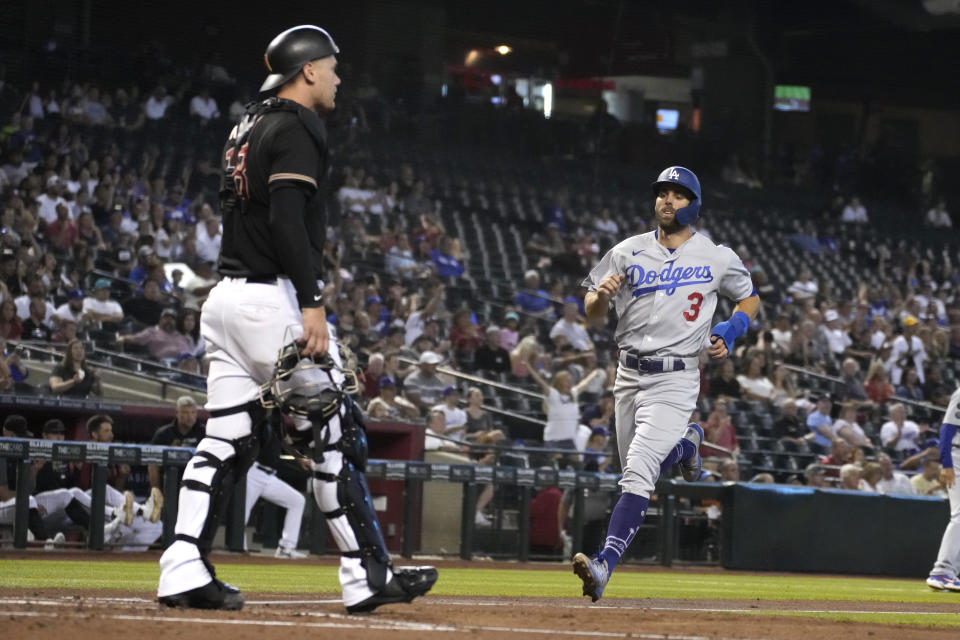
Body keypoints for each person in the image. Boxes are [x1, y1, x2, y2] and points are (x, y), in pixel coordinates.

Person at [157, 25, 435, 613]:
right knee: (336, 436)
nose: (338, 77)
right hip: (271, 301)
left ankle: (182, 565)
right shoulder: (298, 124)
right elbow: (287, 220)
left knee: (223, 439)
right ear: (307, 70)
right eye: (332, 67)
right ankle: (366, 573)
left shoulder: (248, 122)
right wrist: (311, 304)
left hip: (225, 300)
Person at [572, 166, 759, 602]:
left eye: (677, 194)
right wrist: (599, 296)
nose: (667, 200)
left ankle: (604, 565)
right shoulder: (627, 251)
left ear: (692, 204)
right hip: (628, 374)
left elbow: (749, 295)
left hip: (675, 378)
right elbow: (591, 312)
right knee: (633, 474)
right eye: (662, 194)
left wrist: (732, 329)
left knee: (638, 470)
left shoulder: (714, 255)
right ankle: (687, 446)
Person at [926, 385, 960, 591]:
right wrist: (946, 463)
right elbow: (947, 428)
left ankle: (950, 572)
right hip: (957, 455)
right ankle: (942, 571)